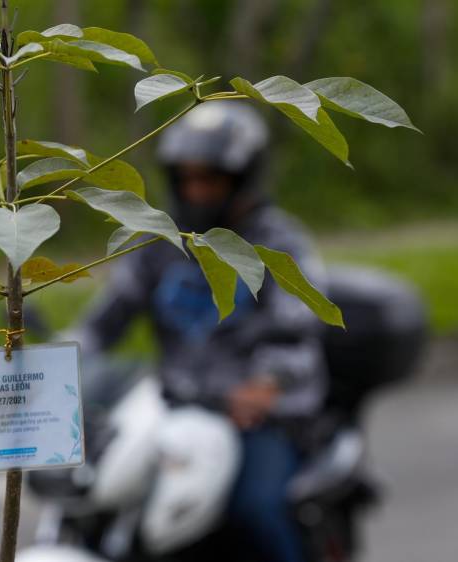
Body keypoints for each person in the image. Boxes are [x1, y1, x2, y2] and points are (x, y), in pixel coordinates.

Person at [73, 101, 327, 562]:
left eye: (209, 178)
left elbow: (299, 333)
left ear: (242, 178)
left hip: (255, 416)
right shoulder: (160, 243)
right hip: (173, 406)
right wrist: (53, 366)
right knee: (100, 500)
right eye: (186, 177)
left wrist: (265, 384)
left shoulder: (281, 245)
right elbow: (102, 323)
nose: (196, 189)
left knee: (257, 511)